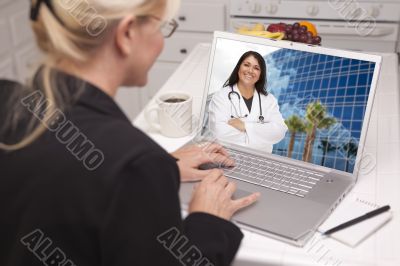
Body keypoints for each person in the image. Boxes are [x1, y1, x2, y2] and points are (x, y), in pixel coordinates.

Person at [0, 1, 260, 265]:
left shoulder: (6, 99)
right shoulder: (134, 162)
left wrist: (153, 170)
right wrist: (208, 220)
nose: (161, 41)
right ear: (126, 34)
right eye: (161, 28)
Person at [208, 51, 288, 153]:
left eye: (256, 68)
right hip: (228, 159)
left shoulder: (269, 100)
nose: (250, 70)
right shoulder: (221, 96)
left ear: (260, 74)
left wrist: (245, 126)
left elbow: (279, 131)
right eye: (246, 65)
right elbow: (219, 133)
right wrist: (262, 138)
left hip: (262, 161)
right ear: (239, 68)